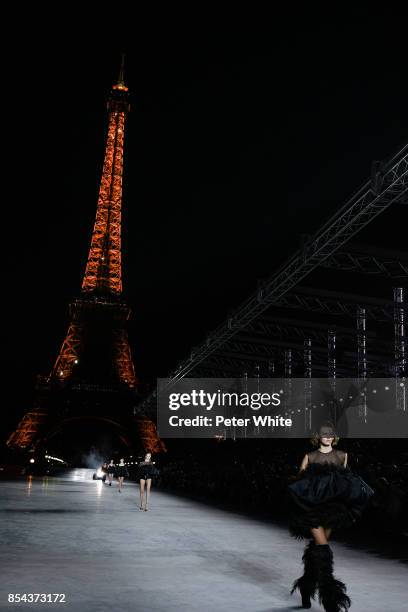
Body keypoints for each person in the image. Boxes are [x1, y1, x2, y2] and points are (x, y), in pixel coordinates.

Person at [288, 423, 374, 611]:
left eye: (330, 434)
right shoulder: (310, 457)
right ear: (317, 436)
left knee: (317, 548)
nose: (327, 436)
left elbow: (345, 483)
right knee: (323, 548)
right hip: (312, 509)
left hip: (333, 510)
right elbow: (299, 483)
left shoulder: (342, 456)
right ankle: (330, 598)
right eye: (323, 434)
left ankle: (306, 586)